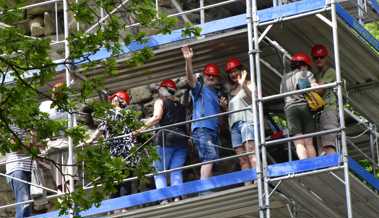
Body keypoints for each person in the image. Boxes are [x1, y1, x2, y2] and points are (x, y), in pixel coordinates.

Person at [140, 79, 187, 202]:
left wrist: (140, 130)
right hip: (182, 140)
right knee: (176, 171)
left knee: (159, 171)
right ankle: (178, 197)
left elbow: (157, 117)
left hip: (165, 140)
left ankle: (164, 199)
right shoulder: (180, 105)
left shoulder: (160, 101)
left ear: (162, 89)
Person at [181, 45, 223, 180]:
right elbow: (190, 80)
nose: (211, 77)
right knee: (209, 157)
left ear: (217, 79)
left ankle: (208, 190)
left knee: (210, 160)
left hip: (212, 130)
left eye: (213, 76)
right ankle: (204, 190)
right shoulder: (200, 89)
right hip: (202, 129)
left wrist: (224, 107)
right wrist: (188, 60)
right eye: (208, 75)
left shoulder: (216, 95)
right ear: (204, 76)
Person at [280, 52, 317, 160]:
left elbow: (282, 94)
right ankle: (313, 165)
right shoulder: (305, 73)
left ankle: (304, 165)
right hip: (304, 106)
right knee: (309, 142)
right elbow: (313, 88)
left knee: (299, 142)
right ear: (304, 65)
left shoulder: (284, 78)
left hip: (290, 108)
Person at [39, 82, 73, 191]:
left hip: (65, 142)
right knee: (60, 178)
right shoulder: (46, 106)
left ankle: (68, 196)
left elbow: (73, 126)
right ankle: (64, 198)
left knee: (69, 175)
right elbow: (40, 127)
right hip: (54, 144)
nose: (55, 95)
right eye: (55, 92)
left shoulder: (67, 107)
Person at [224, 57, 256, 172]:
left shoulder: (249, 83)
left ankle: (257, 181)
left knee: (251, 152)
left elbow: (254, 99)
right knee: (242, 159)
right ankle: (248, 184)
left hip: (246, 122)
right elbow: (231, 111)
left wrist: (243, 84)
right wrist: (224, 107)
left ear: (241, 70)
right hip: (234, 126)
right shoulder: (231, 91)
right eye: (230, 72)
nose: (233, 74)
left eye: (235, 71)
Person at [105, 91, 135, 198]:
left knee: (115, 181)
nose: (112, 101)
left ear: (118, 100)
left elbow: (101, 128)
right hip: (128, 152)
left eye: (114, 99)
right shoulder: (130, 114)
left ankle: (116, 207)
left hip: (115, 152)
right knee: (126, 180)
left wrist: (90, 140)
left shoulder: (111, 113)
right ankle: (124, 208)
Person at [311, 44, 338, 155]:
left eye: (321, 57)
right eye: (316, 58)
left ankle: (332, 167)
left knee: (328, 145)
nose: (319, 59)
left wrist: (311, 85)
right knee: (321, 150)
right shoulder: (317, 75)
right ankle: (326, 169)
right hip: (319, 113)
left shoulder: (331, 72)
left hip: (328, 111)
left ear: (326, 58)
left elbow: (319, 90)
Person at [5, 125, 34, 218]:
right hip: (16, 168)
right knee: (24, 201)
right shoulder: (10, 126)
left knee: (28, 202)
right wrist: (29, 146)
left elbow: (35, 149)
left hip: (28, 168)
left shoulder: (30, 128)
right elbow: (15, 148)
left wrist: (33, 135)